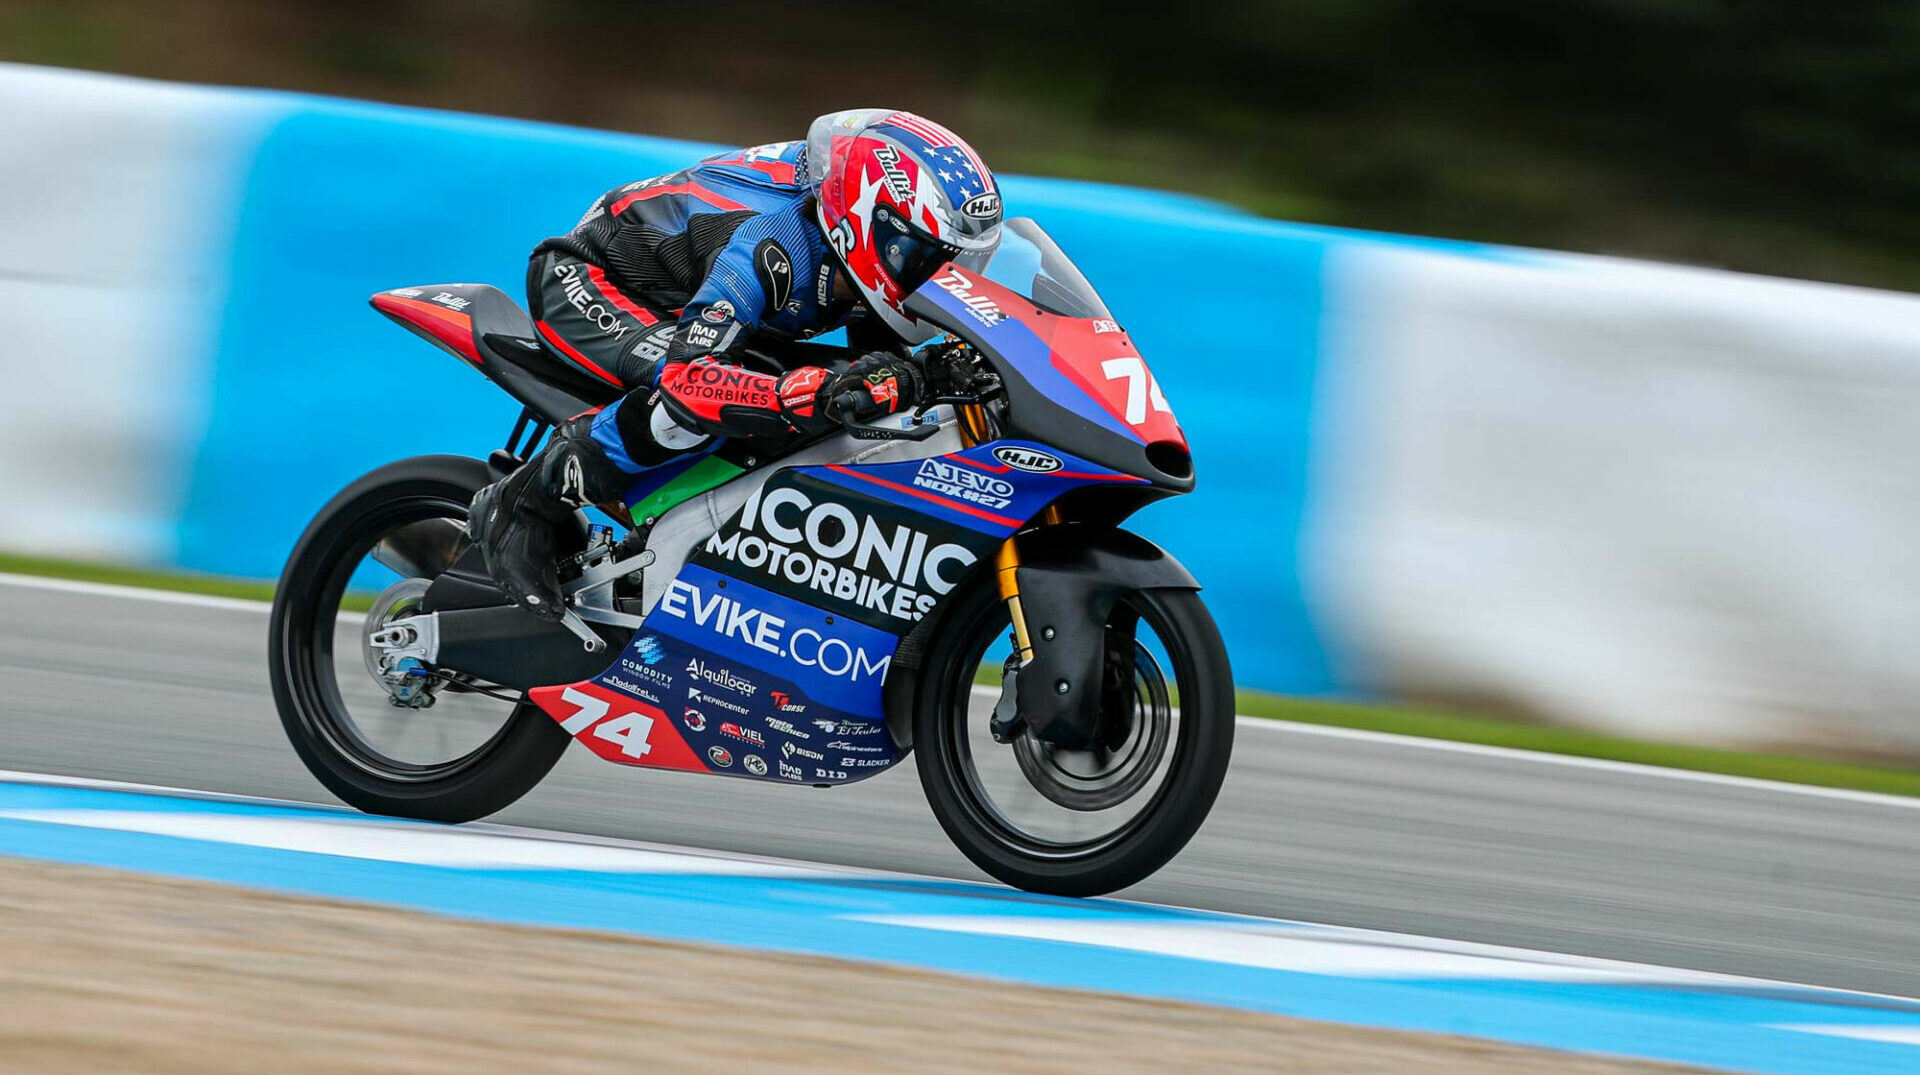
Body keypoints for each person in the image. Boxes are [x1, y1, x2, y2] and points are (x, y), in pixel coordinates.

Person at [468, 109, 1004, 620]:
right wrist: (800, 394)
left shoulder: (858, 234)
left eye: (959, 261)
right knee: (714, 402)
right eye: (928, 257)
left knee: (857, 390)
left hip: (689, 298)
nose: (942, 275)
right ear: (869, 224)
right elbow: (691, 378)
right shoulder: (769, 241)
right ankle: (524, 503)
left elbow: (888, 364)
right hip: (593, 281)